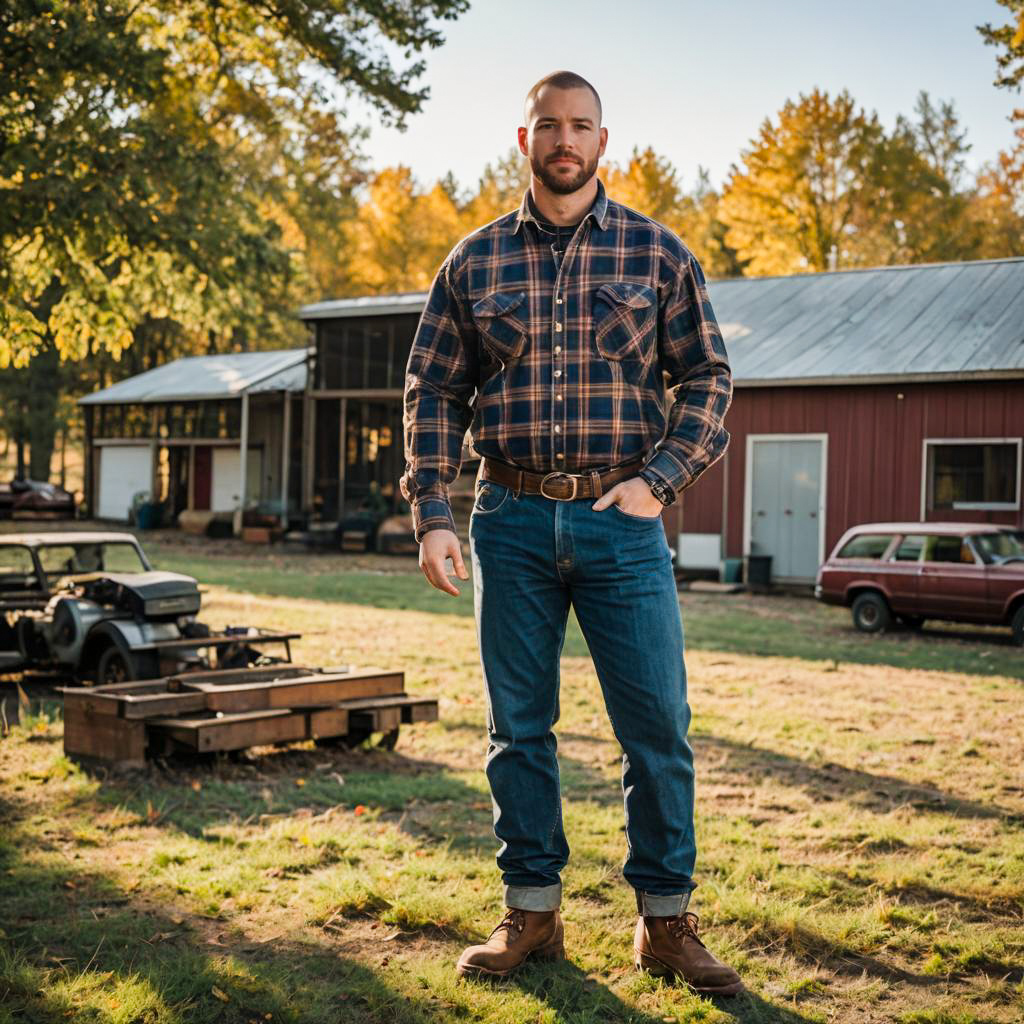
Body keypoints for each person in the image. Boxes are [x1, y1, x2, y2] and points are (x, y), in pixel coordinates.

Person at [399, 70, 741, 996]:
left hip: (618, 524)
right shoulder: (473, 264)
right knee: (520, 731)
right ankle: (532, 913)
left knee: (657, 729)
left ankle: (666, 923)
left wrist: (658, 481)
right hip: (506, 518)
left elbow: (708, 379)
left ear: (602, 141)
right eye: (548, 125)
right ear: (524, 140)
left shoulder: (657, 253)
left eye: (580, 126)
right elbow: (433, 389)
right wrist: (432, 511)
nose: (564, 139)